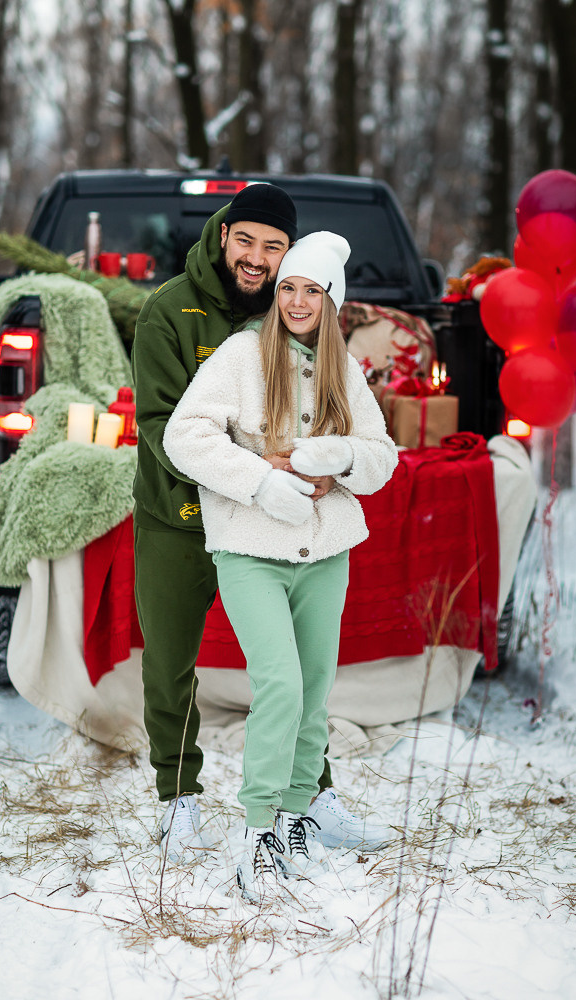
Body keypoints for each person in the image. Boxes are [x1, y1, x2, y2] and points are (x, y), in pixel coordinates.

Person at [132, 186, 394, 863]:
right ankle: (179, 796)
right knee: (170, 661)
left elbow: (354, 435)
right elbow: (167, 428)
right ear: (223, 236)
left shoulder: (293, 312)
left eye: (272, 249)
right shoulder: (172, 311)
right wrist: (260, 474)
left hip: (278, 527)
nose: (257, 259)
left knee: (303, 674)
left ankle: (308, 796)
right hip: (180, 512)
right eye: (245, 241)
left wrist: (322, 465)